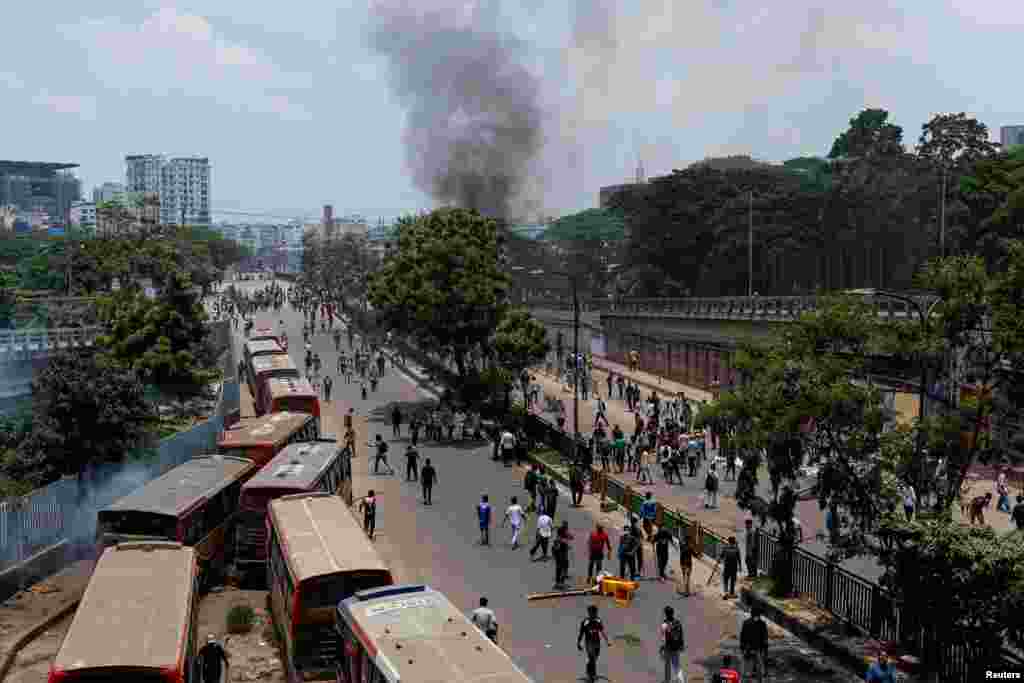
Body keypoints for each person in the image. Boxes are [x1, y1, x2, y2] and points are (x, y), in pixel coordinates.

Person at [577, 604, 612, 683]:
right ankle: (590, 676)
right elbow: (581, 633)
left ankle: (591, 672)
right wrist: (578, 643)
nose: (594, 614)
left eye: (595, 613)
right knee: (592, 659)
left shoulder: (598, 621)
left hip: (597, 643)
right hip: (589, 643)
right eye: (593, 613)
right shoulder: (585, 622)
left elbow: (602, 631)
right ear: (589, 613)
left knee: (594, 659)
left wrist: (607, 641)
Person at [740, 607, 769, 683]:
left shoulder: (746, 622)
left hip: (749, 649)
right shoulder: (762, 624)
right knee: (759, 670)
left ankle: (747, 679)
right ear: (759, 614)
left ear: (751, 614)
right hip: (758, 649)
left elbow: (742, 636)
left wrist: (742, 648)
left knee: (747, 670)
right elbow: (765, 638)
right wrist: (765, 650)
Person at [660, 605, 686, 683]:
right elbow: (681, 635)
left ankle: (667, 680)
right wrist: (681, 646)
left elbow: (663, 639)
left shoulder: (664, 625)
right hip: (676, 647)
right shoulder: (677, 623)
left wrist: (662, 648)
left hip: (668, 648)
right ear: (673, 613)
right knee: (677, 666)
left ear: (666, 614)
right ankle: (681, 681)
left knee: (667, 665)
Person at [553, 522, 573, 588]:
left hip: (561, 556)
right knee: (561, 569)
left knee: (561, 568)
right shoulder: (560, 540)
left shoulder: (560, 538)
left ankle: (559, 583)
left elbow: (571, 537)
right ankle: (560, 583)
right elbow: (556, 549)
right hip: (560, 556)